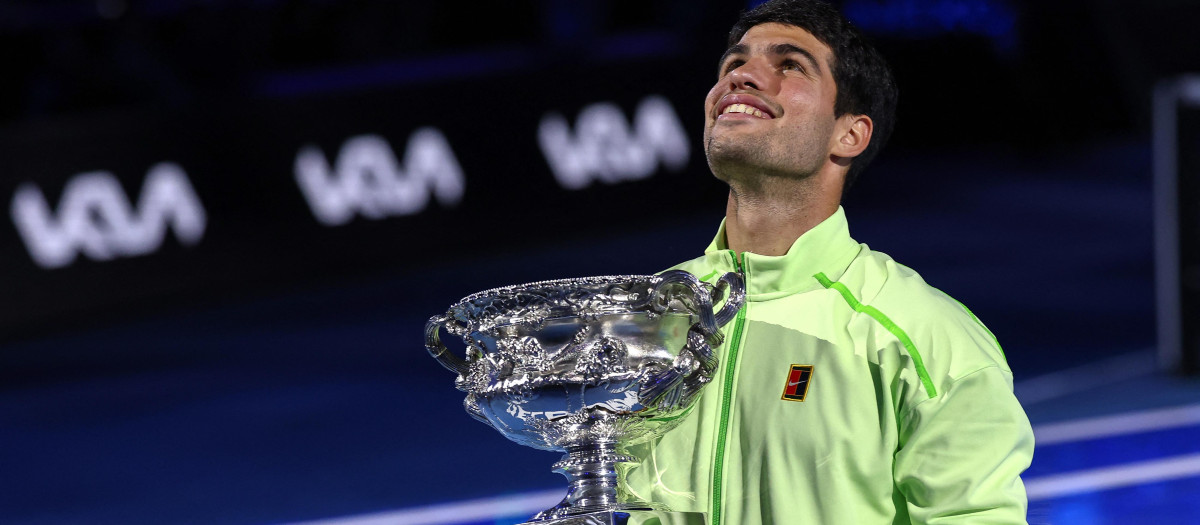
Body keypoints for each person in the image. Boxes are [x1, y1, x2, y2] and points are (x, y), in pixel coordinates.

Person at [618, 1, 1035, 523]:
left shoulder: (922, 332)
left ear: (850, 134)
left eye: (789, 64)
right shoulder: (654, 314)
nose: (743, 76)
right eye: (733, 64)